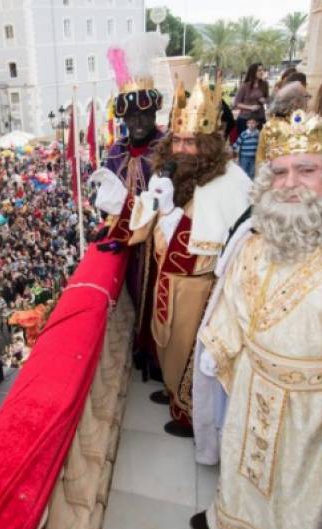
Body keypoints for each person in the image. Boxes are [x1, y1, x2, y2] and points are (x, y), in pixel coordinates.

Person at [191, 109, 322, 529]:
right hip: (251, 388)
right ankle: (231, 527)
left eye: (306, 169)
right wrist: (218, 344)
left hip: (314, 414)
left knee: (297, 506)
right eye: (278, 171)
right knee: (242, 474)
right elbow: (235, 298)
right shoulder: (259, 232)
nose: (290, 183)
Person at [127, 77, 252, 437]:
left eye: (192, 142)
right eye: (178, 140)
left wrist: (170, 217)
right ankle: (171, 394)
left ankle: (191, 416)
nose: (182, 149)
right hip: (172, 282)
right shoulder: (182, 174)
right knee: (172, 348)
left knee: (189, 353)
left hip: (199, 289)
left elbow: (201, 254)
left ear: (209, 144)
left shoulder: (227, 182)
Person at [95, 31, 167, 381]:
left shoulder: (167, 149)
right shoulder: (115, 152)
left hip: (163, 244)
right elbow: (109, 200)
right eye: (131, 118)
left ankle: (158, 356)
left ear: (154, 112)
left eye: (144, 115)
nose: (137, 124)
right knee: (134, 297)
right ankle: (140, 349)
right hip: (129, 245)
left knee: (160, 303)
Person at [255, 81, 312, 165]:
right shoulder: (279, 128)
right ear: (295, 102)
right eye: (307, 96)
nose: (309, 100)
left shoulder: (272, 124)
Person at [234, 63, 269, 134]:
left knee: (261, 142)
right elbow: (236, 103)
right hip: (246, 119)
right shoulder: (244, 86)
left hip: (260, 118)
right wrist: (251, 107)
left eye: (262, 70)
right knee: (246, 143)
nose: (262, 72)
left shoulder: (265, 84)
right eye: (259, 70)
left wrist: (264, 100)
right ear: (253, 72)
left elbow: (267, 99)